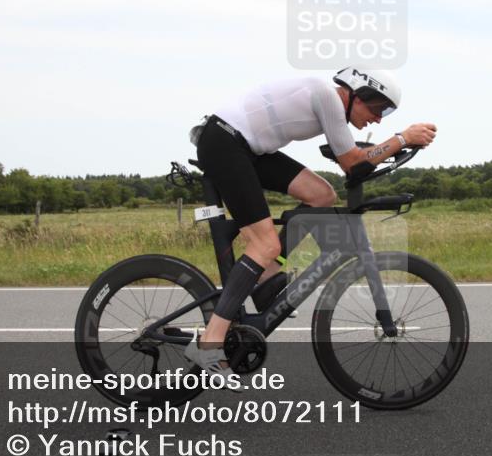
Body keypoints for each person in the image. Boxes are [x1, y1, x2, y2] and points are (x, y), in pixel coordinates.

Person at [184, 66, 437, 387]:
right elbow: (355, 164)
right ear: (358, 94)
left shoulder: (331, 104)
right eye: (378, 108)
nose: (378, 119)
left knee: (321, 194)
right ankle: (209, 343)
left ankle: (266, 276)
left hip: (246, 147)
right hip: (225, 141)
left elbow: (355, 161)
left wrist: (394, 146)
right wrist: (402, 138)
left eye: (386, 113)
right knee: (264, 245)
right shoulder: (327, 96)